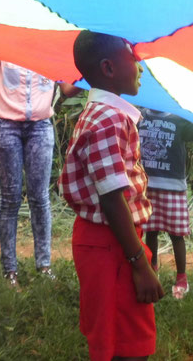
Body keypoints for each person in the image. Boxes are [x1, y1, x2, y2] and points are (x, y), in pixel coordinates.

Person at [59, 30, 164, 361]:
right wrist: (139, 263)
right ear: (108, 68)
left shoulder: (104, 114)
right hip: (111, 241)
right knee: (127, 342)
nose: (140, 65)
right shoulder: (108, 119)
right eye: (132, 57)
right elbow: (111, 197)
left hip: (107, 238)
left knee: (116, 331)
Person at [0, 59, 80, 288]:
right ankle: (9, 270)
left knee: (40, 198)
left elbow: (67, 88)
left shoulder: (45, 49)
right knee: (10, 199)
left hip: (41, 126)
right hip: (5, 125)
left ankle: (44, 266)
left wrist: (89, 67)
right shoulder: (0, 48)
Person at [139, 108, 193, 299]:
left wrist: (191, 112)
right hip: (147, 185)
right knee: (150, 232)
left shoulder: (178, 120)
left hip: (173, 188)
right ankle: (153, 270)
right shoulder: (140, 116)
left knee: (176, 235)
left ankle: (181, 278)